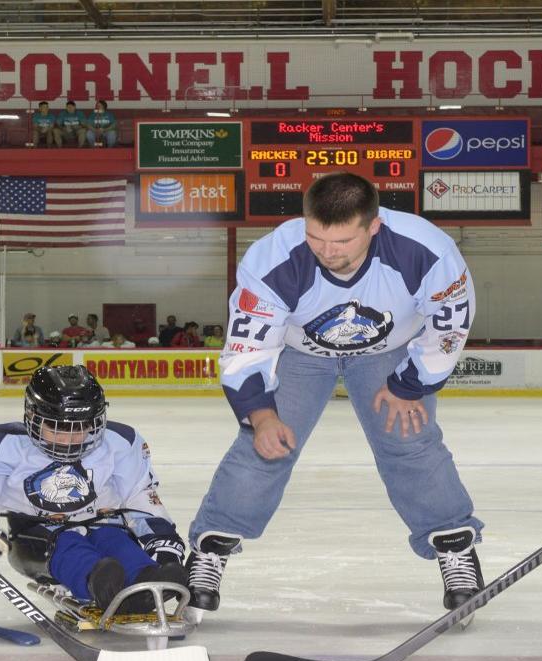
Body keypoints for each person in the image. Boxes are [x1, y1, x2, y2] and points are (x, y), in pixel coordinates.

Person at [186, 171, 484, 618]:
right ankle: (211, 549)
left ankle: (453, 545)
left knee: (410, 441)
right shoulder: (274, 260)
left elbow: (449, 325)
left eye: (342, 241)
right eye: (316, 238)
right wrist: (261, 414)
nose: (326, 252)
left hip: (389, 351)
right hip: (300, 351)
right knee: (264, 446)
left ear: (373, 227)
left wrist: (411, 384)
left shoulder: (426, 250)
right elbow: (248, 347)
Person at [0, 366, 187, 616]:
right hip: (37, 539)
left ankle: (146, 580)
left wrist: (162, 540)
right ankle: (96, 582)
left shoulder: (122, 442)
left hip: (104, 525)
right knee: (69, 545)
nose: (69, 440)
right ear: (32, 418)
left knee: (115, 538)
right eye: (56, 428)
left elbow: (140, 497)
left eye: (81, 428)